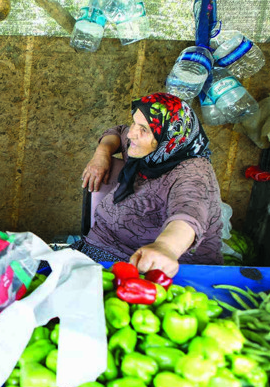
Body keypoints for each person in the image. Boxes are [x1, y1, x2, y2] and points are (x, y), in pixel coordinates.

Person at [79, 92, 223, 277]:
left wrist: (165, 247)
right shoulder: (155, 147)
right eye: (134, 123)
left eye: (144, 129)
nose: (132, 134)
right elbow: (117, 132)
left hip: (142, 266)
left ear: (171, 136)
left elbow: (188, 216)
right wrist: (102, 153)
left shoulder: (193, 175)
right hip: (100, 246)